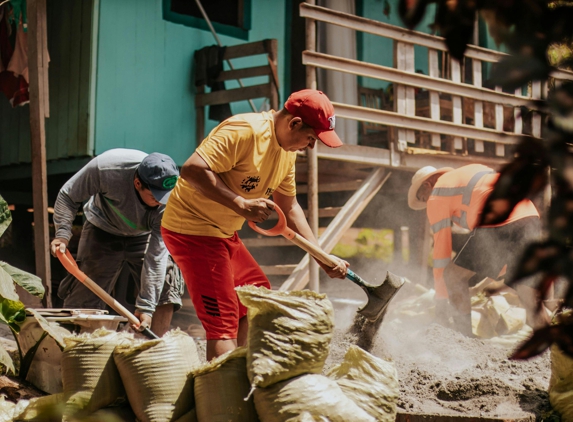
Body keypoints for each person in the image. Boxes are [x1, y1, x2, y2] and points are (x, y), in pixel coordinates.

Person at [162, 89, 350, 360]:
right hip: (192, 230)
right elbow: (191, 169)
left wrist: (319, 254)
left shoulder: (288, 152)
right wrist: (239, 203)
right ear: (294, 123)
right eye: (311, 138)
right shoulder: (244, 131)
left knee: (257, 298)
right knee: (223, 320)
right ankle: (223, 395)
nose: (311, 147)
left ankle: (242, 371)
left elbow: (290, 206)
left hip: (224, 233)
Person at [52, 148, 183, 337]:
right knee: (83, 297)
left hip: (144, 235)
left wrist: (146, 307)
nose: (162, 203)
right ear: (138, 183)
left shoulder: (169, 203)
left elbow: (156, 258)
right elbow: (68, 195)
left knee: (166, 285)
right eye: (155, 197)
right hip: (102, 229)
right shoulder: (107, 169)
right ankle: (75, 349)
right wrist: (62, 234)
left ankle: (153, 351)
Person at [408, 164, 545, 335]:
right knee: (528, 294)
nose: (426, 203)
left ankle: (464, 340)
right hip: (529, 215)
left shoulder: (436, 196)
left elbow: (441, 254)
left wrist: (441, 302)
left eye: (423, 198)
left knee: (452, 276)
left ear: (427, 185)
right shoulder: (471, 171)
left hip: (497, 219)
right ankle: (558, 351)